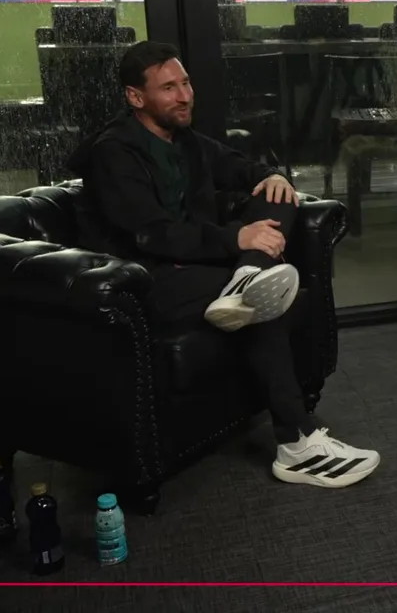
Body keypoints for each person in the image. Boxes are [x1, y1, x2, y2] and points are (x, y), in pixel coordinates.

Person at [66, 40, 379, 489]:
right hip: (143, 279)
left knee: (280, 198)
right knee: (265, 303)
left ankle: (246, 275)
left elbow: (239, 167)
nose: (185, 96)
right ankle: (296, 444)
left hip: (195, 262)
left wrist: (270, 176)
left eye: (186, 83)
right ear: (136, 97)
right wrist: (237, 238)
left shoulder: (183, 139)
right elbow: (152, 234)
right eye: (169, 88)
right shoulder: (113, 153)